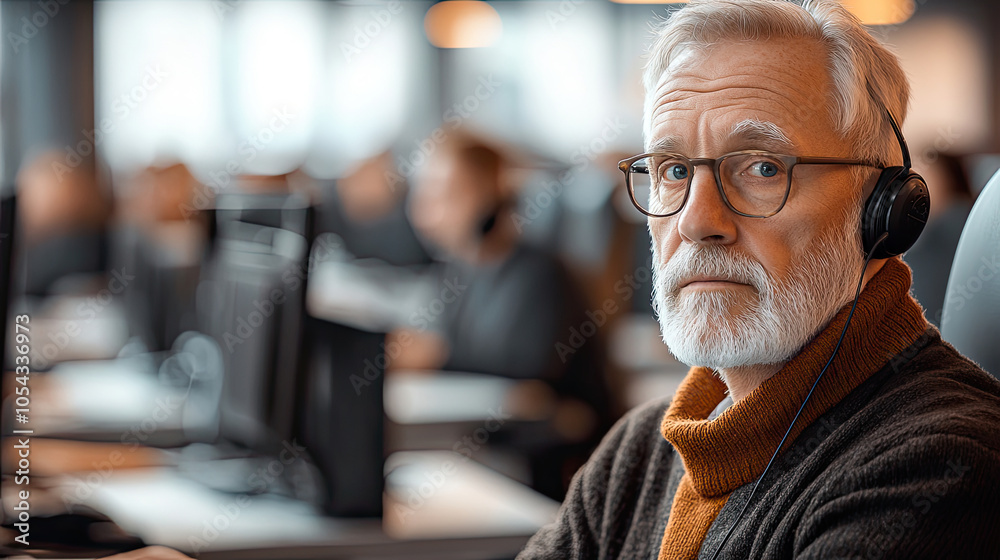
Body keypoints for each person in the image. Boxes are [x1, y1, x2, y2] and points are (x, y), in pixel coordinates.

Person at [519, 1, 1000, 559]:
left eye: (762, 168)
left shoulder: (940, 467)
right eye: (674, 170)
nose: (696, 222)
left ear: (880, 212)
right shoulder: (640, 452)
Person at [396, 132, 614, 499]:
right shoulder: (458, 270)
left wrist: (437, 357)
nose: (424, 211)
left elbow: (530, 375)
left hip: (551, 456)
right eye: (422, 194)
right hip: (490, 441)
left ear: (492, 194)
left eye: (445, 194)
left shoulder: (540, 274)